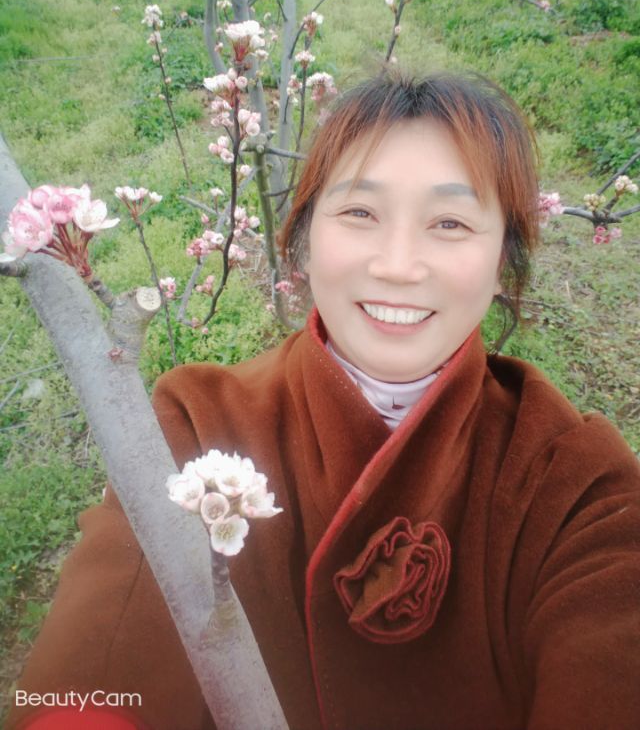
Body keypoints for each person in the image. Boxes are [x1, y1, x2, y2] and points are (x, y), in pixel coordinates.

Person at [8, 71, 640, 730]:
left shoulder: (577, 482)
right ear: (305, 241)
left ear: (503, 260)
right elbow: (99, 662)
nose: (398, 265)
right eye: (360, 213)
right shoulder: (196, 424)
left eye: (450, 222)